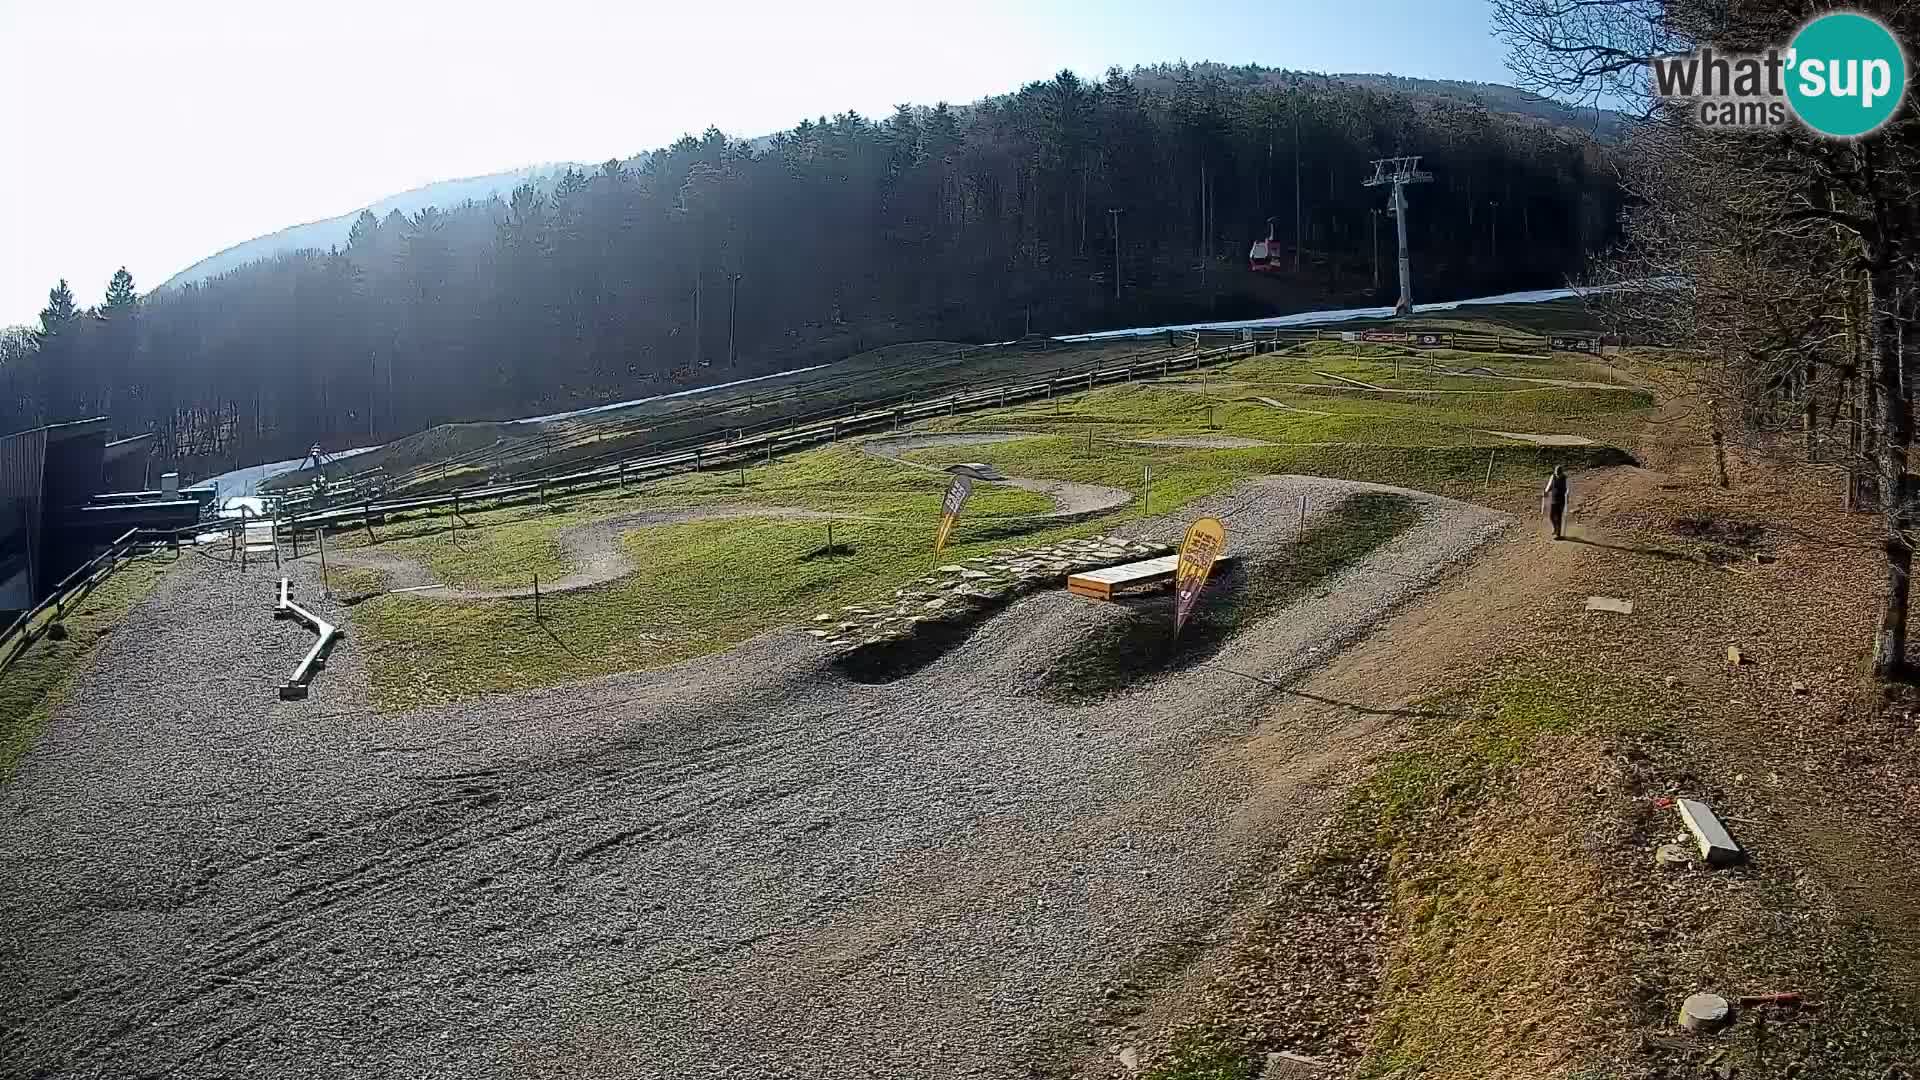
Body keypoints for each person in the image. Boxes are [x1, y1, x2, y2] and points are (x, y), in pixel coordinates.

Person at [1543, 464, 1569, 540]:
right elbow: (1549, 485)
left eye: (1559, 474)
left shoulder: (1565, 478)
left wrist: (1567, 495)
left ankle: (1558, 534)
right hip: (1554, 499)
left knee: (1559, 517)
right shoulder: (1553, 476)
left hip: (1561, 500)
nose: (1557, 475)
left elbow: (1568, 488)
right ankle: (1555, 528)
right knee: (1551, 516)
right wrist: (1546, 491)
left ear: (1561, 473)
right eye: (1556, 473)